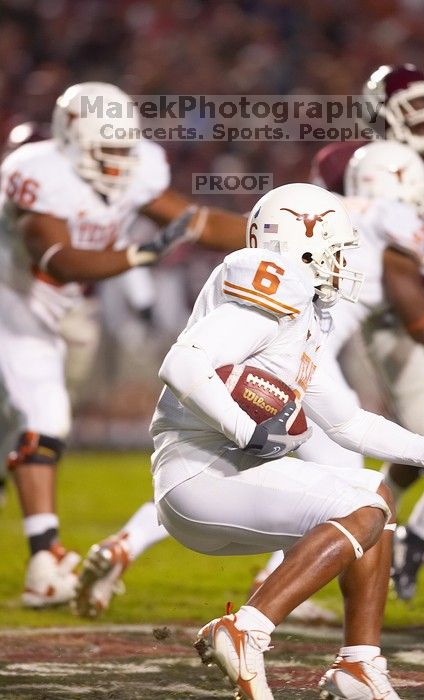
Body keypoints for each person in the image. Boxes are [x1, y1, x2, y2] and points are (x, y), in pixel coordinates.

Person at [150, 182, 424, 700]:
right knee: (362, 505)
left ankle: (357, 666)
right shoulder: (274, 284)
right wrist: (245, 429)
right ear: (300, 243)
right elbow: (182, 363)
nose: (346, 261)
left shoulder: (301, 316)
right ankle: (247, 628)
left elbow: (345, 424)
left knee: (376, 493)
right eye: (338, 249)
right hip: (199, 474)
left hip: (224, 475)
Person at [0, 81, 246, 608]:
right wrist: (138, 255)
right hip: (12, 298)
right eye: (104, 149)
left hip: (64, 310)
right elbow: (56, 261)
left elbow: (191, 221)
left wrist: (265, 234)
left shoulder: (141, 169)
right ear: (70, 140)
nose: (116, 161)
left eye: (123, 149)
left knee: (23, 422)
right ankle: (45, 560)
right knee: (47, 416)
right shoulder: (37, 172)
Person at [311, 64, 424, 602]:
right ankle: (308, 546)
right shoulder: (349, 166)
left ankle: (420, 531)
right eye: (412, 108)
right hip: (388, 309)